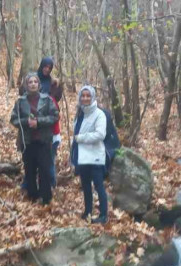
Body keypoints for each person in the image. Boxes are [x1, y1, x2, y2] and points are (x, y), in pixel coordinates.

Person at [10, 73, 59, 205]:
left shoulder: (47, 100)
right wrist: (26, 122)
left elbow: (55, 116)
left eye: (35, 82)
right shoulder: (20, 101)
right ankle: (32, 196)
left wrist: (39, 122)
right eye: (30, 82)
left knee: (44, 169)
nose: (32, 84)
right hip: (27, 141)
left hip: (43, 141)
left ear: (39, 84)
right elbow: (13, 119)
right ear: (26, 85)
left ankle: (46, 197)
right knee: (29, 169)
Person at [20, 57, 63, 189]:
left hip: (47, 128)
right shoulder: (32, 80)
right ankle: (29, 184)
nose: (47, 69)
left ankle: (50, 184)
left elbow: (56, 107)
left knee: (48, 160)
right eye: (45, 66)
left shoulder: (53, 84)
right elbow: (22, 98)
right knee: (30, 160)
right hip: (30, 127)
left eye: (50, 67)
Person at [72, 85, 108, 224]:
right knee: (85, 185)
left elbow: (100, 134)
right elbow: (75, 134)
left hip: (95, 156)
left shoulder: (99, 114)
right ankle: (88, 211)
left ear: (92, 97)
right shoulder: (79, 113)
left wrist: (81, 138)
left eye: (88, 96)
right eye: (83, 95)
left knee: (99, 186)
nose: (85, 98)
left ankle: (104, 215)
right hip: (82, 157)